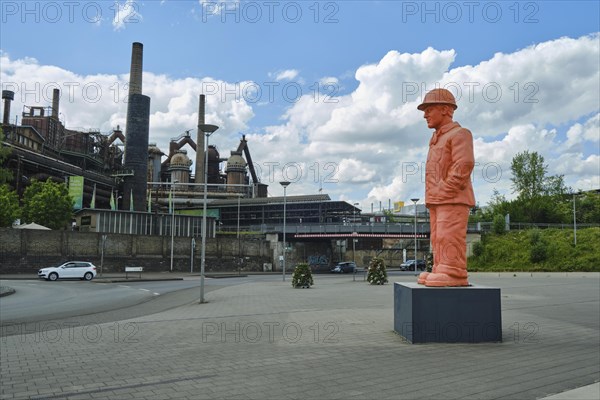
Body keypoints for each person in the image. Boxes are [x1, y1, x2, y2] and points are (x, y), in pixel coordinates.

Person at [416, 88, 475, 287]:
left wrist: (443, 190)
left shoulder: (460, 134)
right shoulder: (436, 140)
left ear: (445, 109)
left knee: (449, 235)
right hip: (437, 200)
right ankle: (441, 268)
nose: (425, 115)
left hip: (452, 198)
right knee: (438, 236)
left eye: (429, 109)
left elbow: (463, 165)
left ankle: (454, 272)